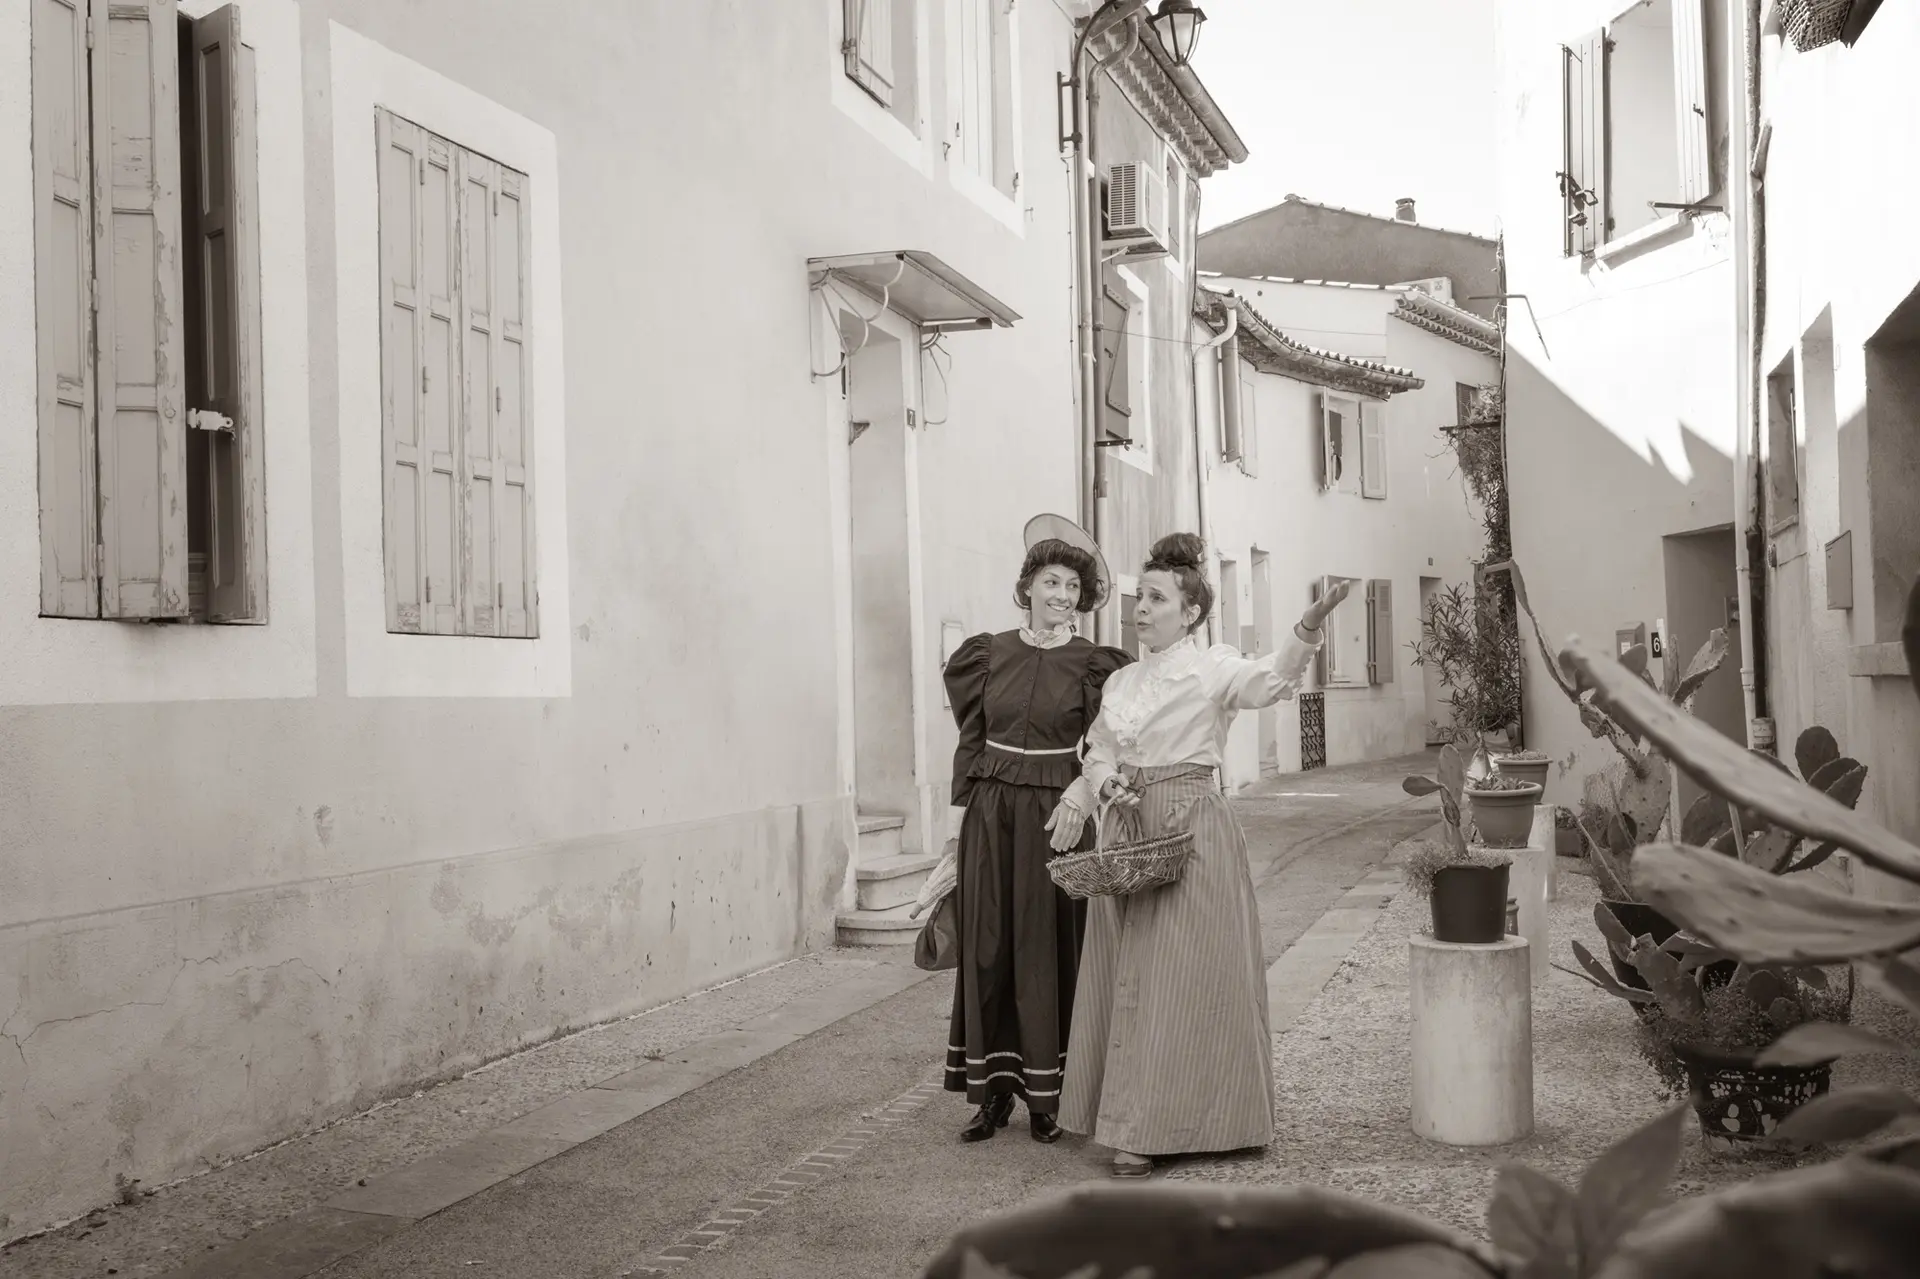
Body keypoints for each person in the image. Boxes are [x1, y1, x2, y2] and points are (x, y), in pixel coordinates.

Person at [1056, 532, 1351, 1177]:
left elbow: (1272, 681)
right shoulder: (1124, 680)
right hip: (1129, 830)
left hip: (1191, 828)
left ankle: (1192, 1122)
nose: (1141, 608)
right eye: (1139, 596)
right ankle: (1130, 1117)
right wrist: (1105, 781)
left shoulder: (1213, 667)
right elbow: (1099, 746)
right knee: (1128, 973)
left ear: (1189, 613)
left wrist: (1307, 625)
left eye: (1156, 598)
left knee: (1186, 978)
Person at [941, 516, 1134, 1144]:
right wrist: (957, 828)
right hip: (992, 816)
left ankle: (1049, 1099)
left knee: (1051, 946)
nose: (1063, 595)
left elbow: (1111, 743)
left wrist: (1085, 793)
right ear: (1027, 586)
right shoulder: (986, 654)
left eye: (1074, 588)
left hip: (1059, 816)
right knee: (988, 945)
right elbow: (972, 739)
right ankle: (991, 1095)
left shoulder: (1095, 666)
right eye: (1052, 582)